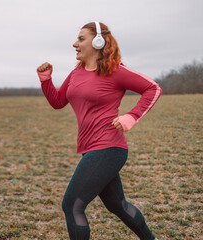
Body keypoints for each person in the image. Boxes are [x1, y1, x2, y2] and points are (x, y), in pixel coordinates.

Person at [36, 22, 161, 240]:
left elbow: (153, 89)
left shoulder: (116, 71)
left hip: (109, 147)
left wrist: (131, 116)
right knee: (118, 205)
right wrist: (46, 80)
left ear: (98, 42)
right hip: (90, 148)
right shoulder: (76, 73)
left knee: (72, 205)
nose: (75, 44)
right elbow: (58, 101)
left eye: (81, 39)